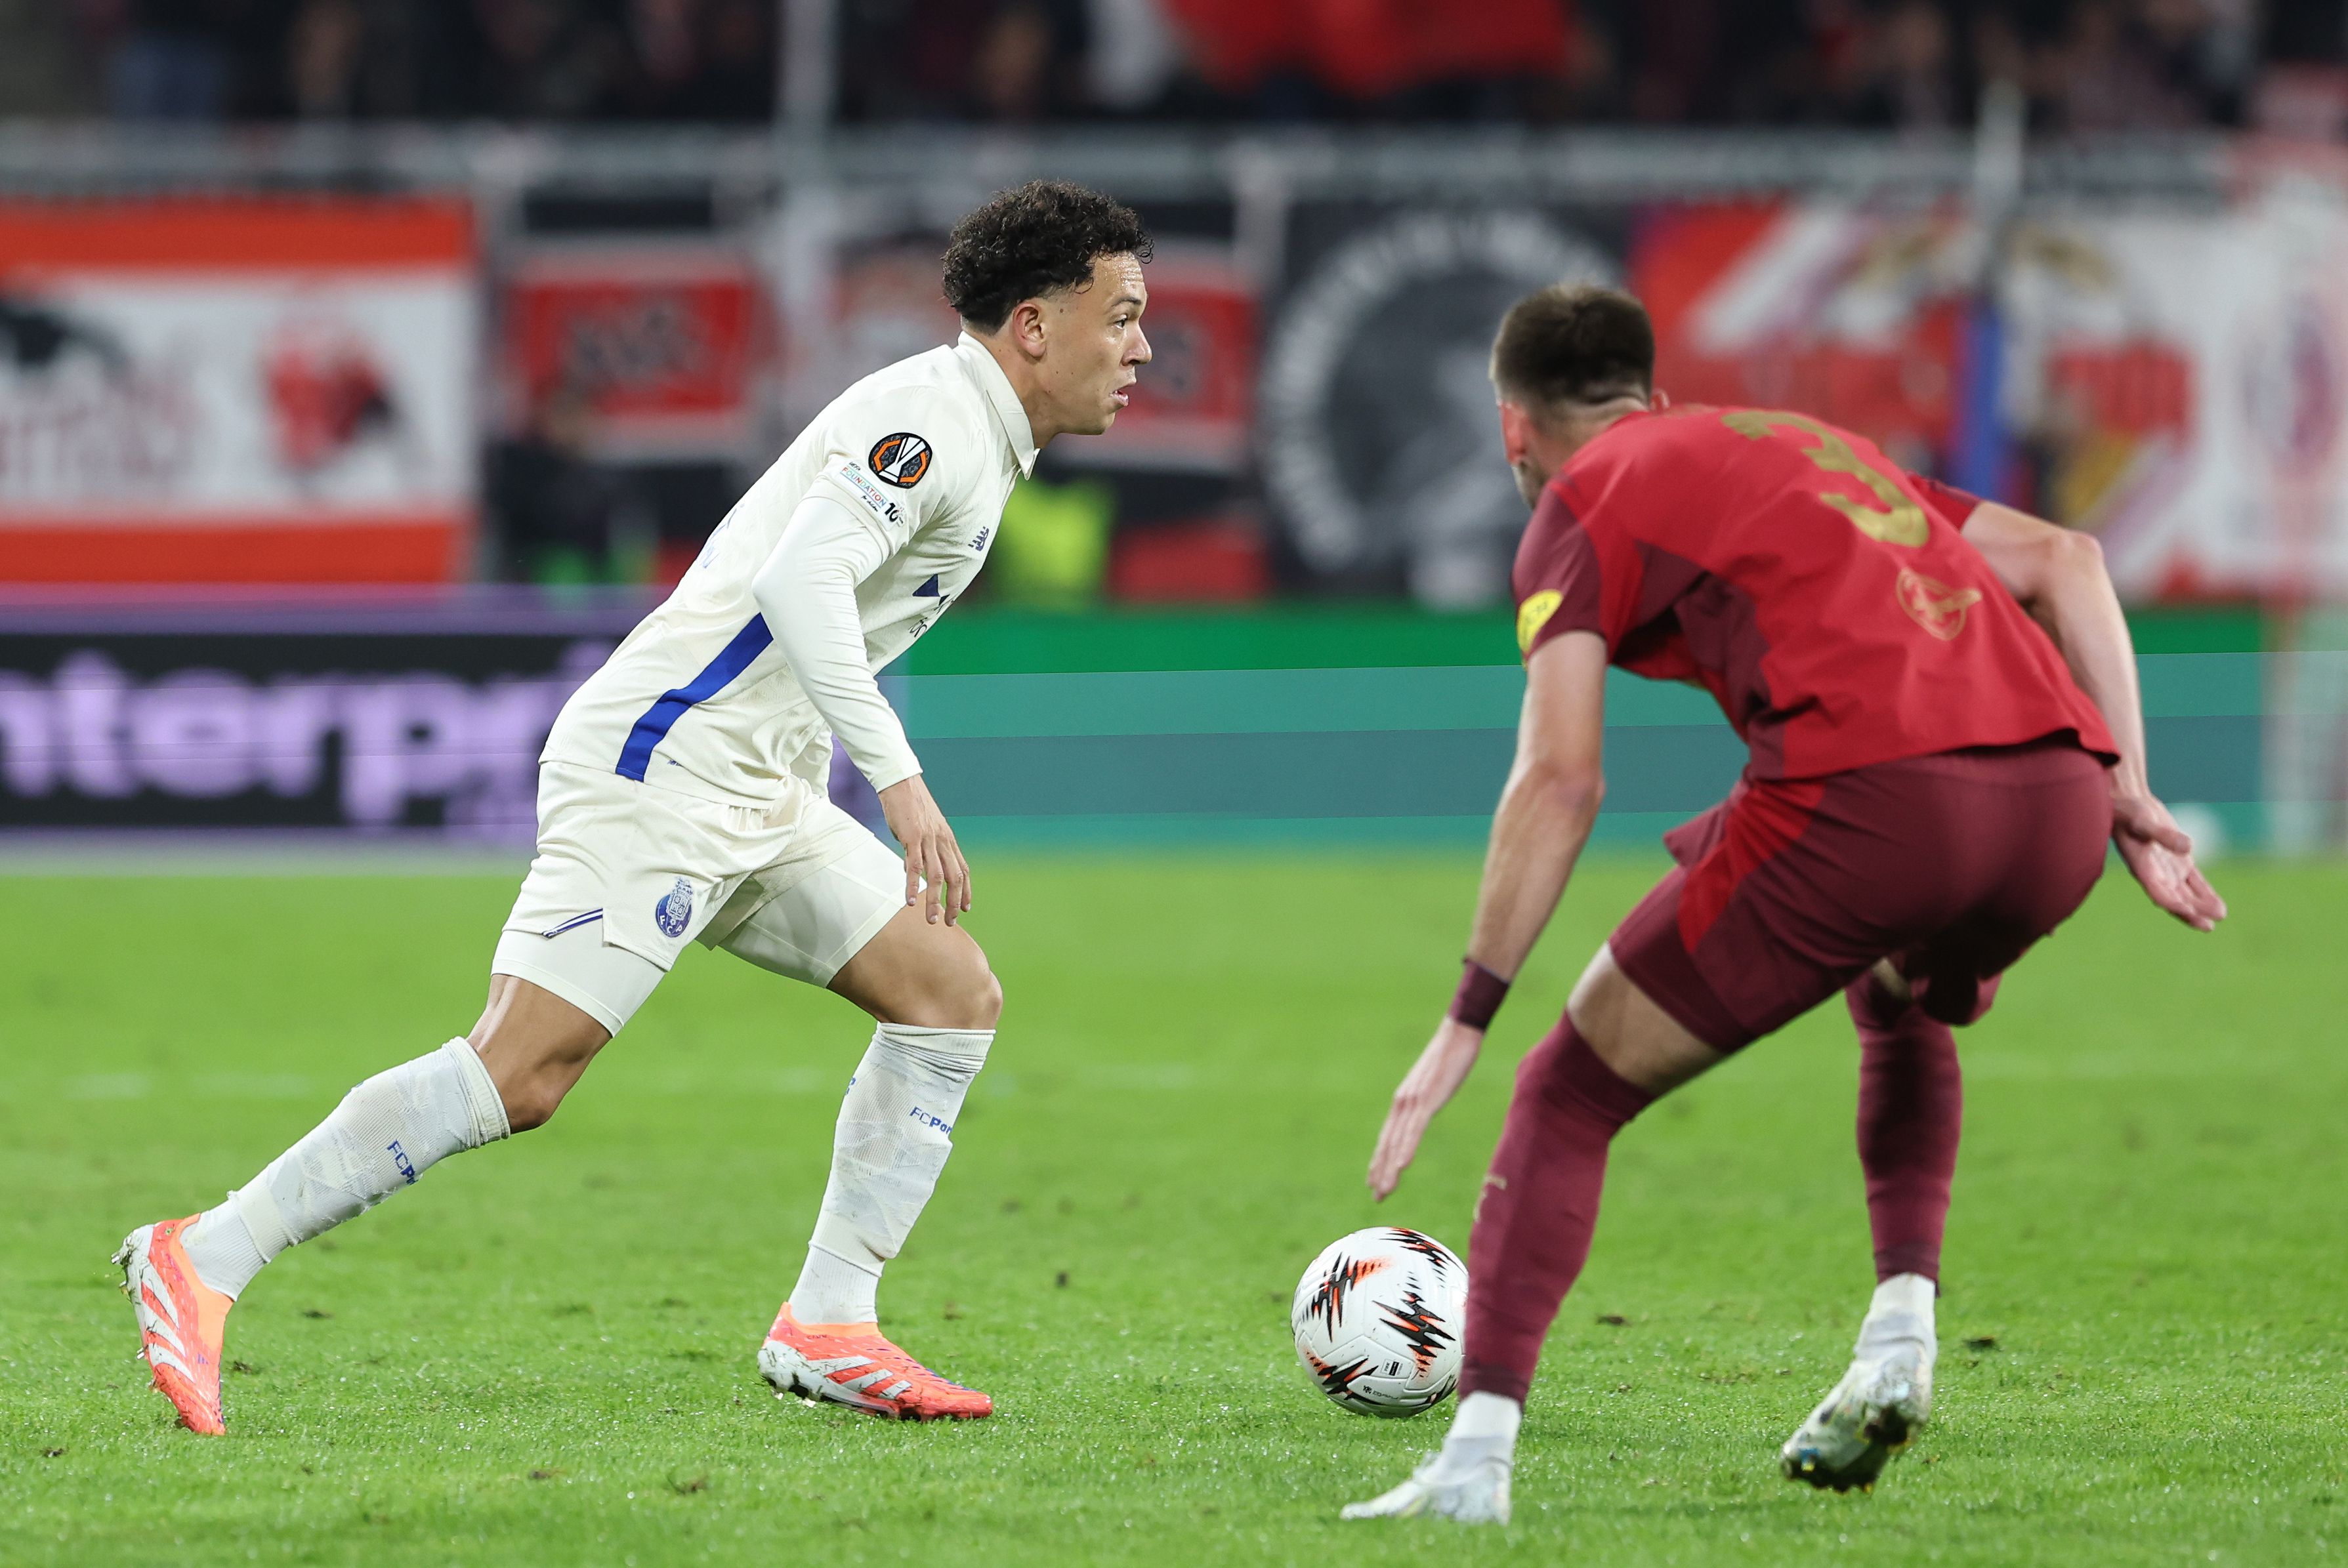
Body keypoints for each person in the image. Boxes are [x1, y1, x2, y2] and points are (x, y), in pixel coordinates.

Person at [115, 180, 1152, 1434]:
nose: (1142, 347)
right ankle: (202, 1254)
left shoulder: (978, 435)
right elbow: (800, 584)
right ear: (1034, 325)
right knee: (523, 1071)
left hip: (756, 785)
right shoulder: (932, 418)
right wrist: (900, 778)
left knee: (948, 995)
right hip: (663, 764)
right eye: (1121, 315)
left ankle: (830, 1319)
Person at [1344, 283, 2225, 1524]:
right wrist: (2128, 790)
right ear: (1654, 397)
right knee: (1896, 989)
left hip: (1881, 805)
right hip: (2058, 807)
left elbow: (1560, 777)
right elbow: (2066, 561)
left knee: (1567, 1091)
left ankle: (1473, 1467)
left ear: (1512, 429)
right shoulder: (1806, 444)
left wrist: (1466, 1016)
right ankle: (1898, 1338)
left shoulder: (1577, 502)